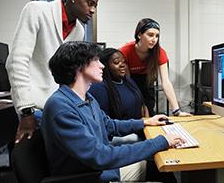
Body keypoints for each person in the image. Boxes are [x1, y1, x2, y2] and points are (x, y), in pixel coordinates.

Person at [41, 41, 184, 182]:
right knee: (163, 171)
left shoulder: (86, 98)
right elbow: (100, 156)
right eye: (96, 60)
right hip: (91, 177)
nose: (102, 65)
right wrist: (160, 142)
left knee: (163, 169)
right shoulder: (61, 108)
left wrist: (146, 121)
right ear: (79, 66)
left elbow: (109, 125)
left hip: (103, 171)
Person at [6, 0, 99, 143]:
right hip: (32, 104)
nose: (92, 10)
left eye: (95, 6)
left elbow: (67, 72)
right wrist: (26, 111)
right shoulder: (37, 10)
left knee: (59, 157)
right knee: (38, 156)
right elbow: (16, 61)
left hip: (56, 105)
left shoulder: (78, 30)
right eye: (89, 3)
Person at [120, 18, 192, 117]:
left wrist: (177, 111)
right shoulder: (125, 51)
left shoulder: (159, 52)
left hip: (148, 81)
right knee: (135, 112)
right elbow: (127, 80)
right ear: (139, 35)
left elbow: (166, 82)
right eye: (150, 35)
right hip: (130, 81)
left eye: (157, 36)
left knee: (149, 112)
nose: (154, 39)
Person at [89, 48, 148, 120]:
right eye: (116, 62)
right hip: (119, 130)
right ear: (105, 66)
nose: (122, 65)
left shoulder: (128, 82)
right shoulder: (99, 88)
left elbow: (142, 106)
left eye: (124, 62)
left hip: (140, 127)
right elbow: (104, 122)